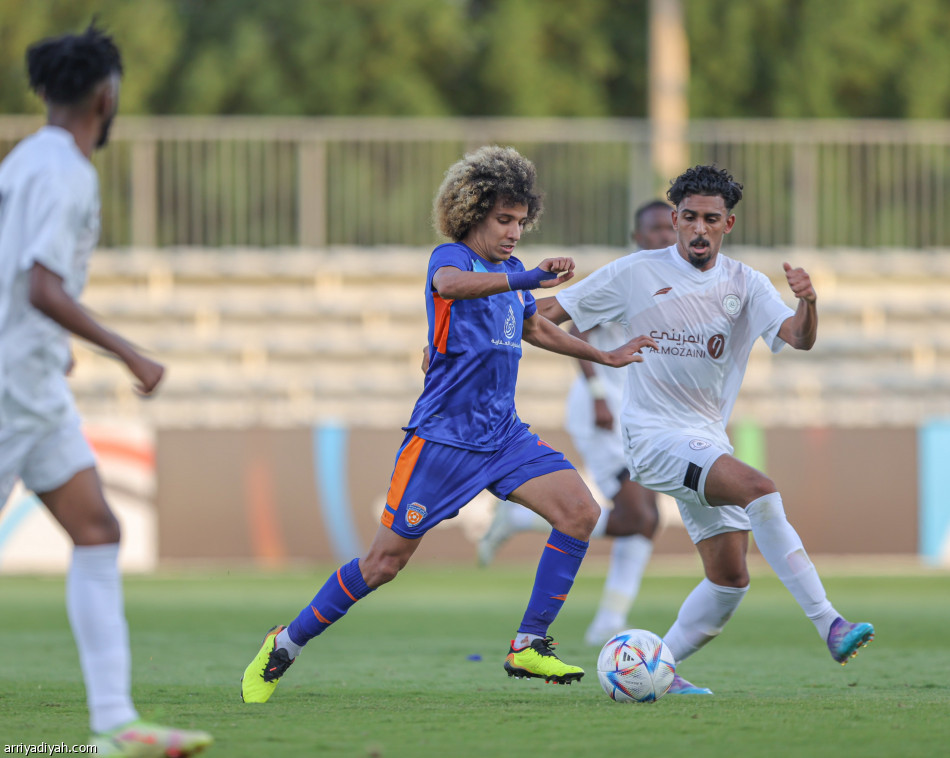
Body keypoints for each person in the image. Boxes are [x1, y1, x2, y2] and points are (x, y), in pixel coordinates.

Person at [240, 145, 657, 702]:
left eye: (519, 221)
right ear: (471, 214)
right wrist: (528, 278)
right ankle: (284, 645)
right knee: (384, 563)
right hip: (442, 439)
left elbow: (536, 329)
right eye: (501, 220)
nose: (513, 233)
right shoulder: (450, 258)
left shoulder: (511, 273)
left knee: (581, 512)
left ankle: (529, 644)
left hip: (503, 435)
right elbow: (452, 289)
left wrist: (605, 357)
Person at [537, 164, 874, 694]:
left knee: (729, 578)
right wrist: (479, 333)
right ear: (674, 219)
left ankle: (653, 671)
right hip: (651, 437)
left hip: (705, 440)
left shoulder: (747, 283)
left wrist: (809, 303)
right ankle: (829, 622)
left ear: (728, 225)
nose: (698, 228)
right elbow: (544, 315)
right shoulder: (635, 272)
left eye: (710, 219)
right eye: (688, 217)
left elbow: (797, 338)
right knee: (761, 489)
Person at [0, 26, 213, 756]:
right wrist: (128, 352)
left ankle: (115, 725)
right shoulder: (65, 172)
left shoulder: (28, 159)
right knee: (97, 531)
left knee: (98, 528)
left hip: (28, 381)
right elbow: (40, 284)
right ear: (106, 94)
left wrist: (47, 349)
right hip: (8, 387)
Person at [477, 200, 676, 649]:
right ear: (637, 238)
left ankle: (610, 618)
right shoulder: (630, 276)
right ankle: (522, 520)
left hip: (641, 413)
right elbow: (576, 326)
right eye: (655, 230)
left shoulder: (677, 282)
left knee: (644, 520)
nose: (665, 236)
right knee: (640, 516)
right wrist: (600, 393)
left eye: (670, 228)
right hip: (601, 409)